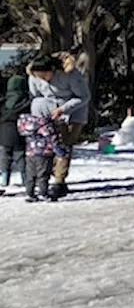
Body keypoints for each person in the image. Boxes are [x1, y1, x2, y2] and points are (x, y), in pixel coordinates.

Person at [27, 53, 90, 199]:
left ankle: (59, 181)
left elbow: (83, 97)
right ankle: (46, 178)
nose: (42, 79)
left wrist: (63, 109)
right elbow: (36, 95)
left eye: (44, 75)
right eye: (39, 76)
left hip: (74, 110)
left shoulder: (72, 76)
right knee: (49, 144)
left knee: (64, 145)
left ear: (53, 70)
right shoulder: (34, 76)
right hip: (50, 111)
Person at [17, 103, 64, 202]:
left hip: (30, 153)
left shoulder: (27, 123)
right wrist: (60, 152)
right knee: (43, 175)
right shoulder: (46, 125)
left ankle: (30, 193)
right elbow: (52, 140)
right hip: (44, 154)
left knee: (31, 174)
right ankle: (43, 193)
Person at [1, 74, 30, 195]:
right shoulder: (27, 102)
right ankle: (25, 178)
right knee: (21, 158)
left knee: (4, 158)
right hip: (20, 134)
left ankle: (4, 179)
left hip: (3, 134)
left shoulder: (3, 102)